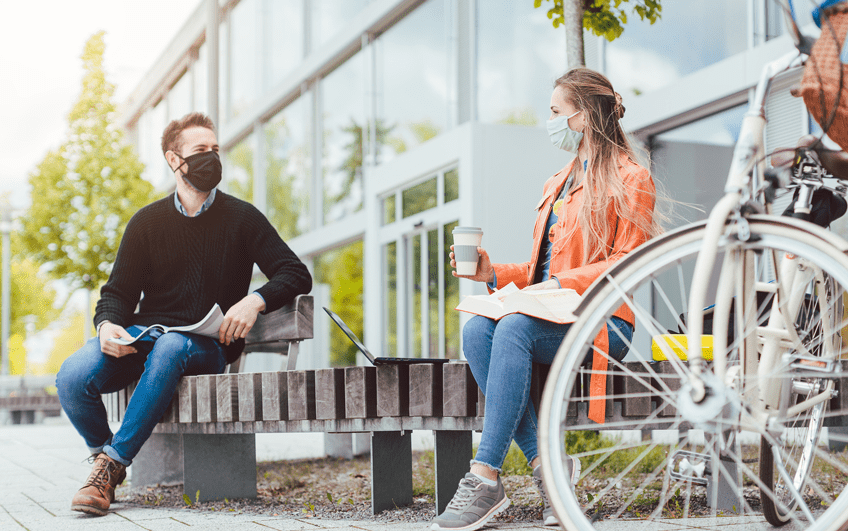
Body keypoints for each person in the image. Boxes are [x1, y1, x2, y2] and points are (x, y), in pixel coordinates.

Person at [431, 68, 658, 531]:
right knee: (477, 330)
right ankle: (549, 469)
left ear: (584, 116)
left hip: (604, 322)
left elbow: (628, 263)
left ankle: (485, 476)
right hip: (550, 314)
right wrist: (492, 273)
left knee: (514, 327)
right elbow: (542, 271)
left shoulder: (632, 178)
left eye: (556, 111)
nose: (550, 121)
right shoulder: (557, 182)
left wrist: (561, 285)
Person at [56, 112, 313, 516]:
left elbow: (295, 272)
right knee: (72, 376)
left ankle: (111, 466)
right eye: (200, 150)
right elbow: (117, 294)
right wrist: (107, 326)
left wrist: (255, 300)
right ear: (174, 160)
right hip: (145, 338)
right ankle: (105, 463)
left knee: (173, 345)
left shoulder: (242, 218)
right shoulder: (146, 223)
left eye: (215, 149)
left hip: (206, 345)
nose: (212, 157)